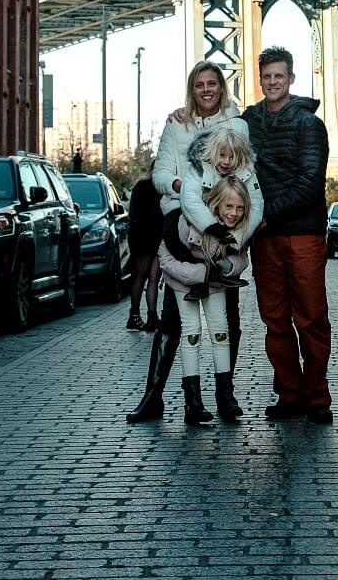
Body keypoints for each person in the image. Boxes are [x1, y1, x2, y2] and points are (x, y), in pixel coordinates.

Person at [124, 60, 249, 424]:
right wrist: (180, 186)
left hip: (222, 226)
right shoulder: (176, 124)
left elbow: (244, 169)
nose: (206, 90)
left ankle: (225, 396)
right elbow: (161, 173)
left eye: (212, 84)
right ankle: (158, 397)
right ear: (192, 89)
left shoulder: (234, 124)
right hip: (182, 228)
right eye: (199, 85)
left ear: (221, 88)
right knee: (173, 319)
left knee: (228, 317)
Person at [243, 45, 333, 425]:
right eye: (267, 76)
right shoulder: (247, 121)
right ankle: (289, 394)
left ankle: (316, 397)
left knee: (310, 318)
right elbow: (209, 137)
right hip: (265, 240)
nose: (273, 82)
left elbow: (309, 184)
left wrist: (264, 218)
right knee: (275, 321)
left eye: (279, 75)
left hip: (302, 235)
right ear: (260, 79)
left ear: (291, 79)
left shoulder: (309, 124)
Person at [158, 175, 255, 425]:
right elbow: (165, 255)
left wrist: (226, 267)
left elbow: (242, 258)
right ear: (216, 204)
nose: (233, 213)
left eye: (239, 208)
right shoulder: (188, 222)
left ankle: (226, 396)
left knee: (220, 331)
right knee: (191, 332)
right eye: (229, 207)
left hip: (215, 282)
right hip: (184, 281)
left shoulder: (238, 229)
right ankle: (192, 403)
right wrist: (201, 274)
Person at [125, 161, 162, 332]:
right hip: (143, 239)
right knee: (140, 276)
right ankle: (134, 315)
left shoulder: (164, 188)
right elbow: (135, 215)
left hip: (158, 239)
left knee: (153, 277)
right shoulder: (142, 186)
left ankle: (152, 316)